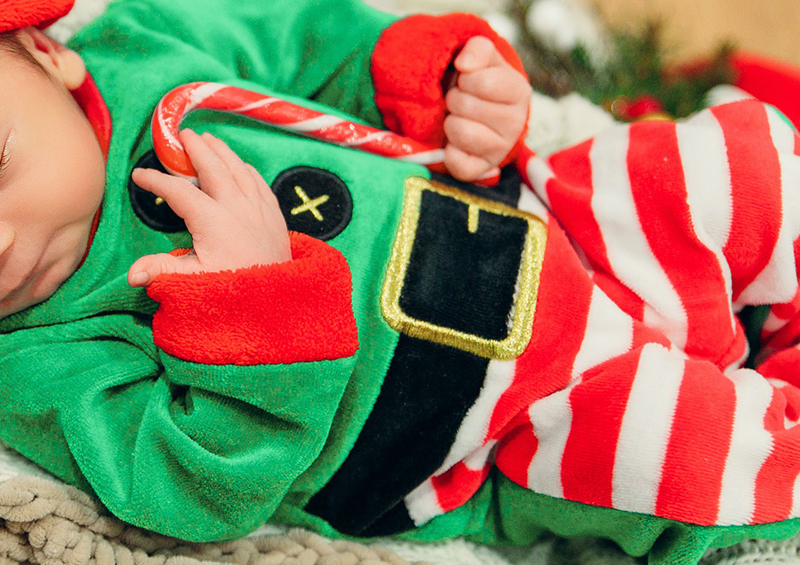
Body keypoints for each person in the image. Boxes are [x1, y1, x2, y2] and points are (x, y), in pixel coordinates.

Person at [2, 1, 800, 565]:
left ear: (46, 52)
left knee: (741, 172)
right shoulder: (36, 358)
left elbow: (317, 40)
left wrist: (443, 84)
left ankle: (744, 310)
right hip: (481, 429)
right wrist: (251, 309)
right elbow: (192, 490)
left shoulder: (147, 48)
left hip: (539, 212)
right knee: (690, 456)